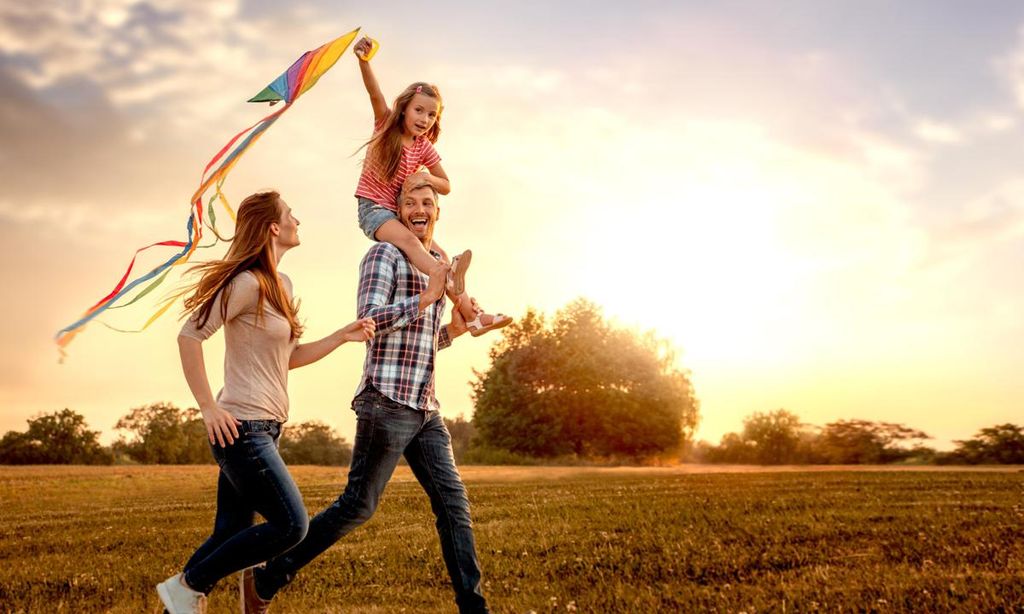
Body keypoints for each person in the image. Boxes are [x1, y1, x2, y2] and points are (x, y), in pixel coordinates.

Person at [246, 181, 490, 613]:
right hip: (386, 400)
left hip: (425, 406)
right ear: (397, 213)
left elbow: (424, 341)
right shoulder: (384, 255)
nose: (419, 209)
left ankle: (473, 607)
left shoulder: (437, 261)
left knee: (454, 506)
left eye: (427, 203)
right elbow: (370, 320)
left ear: (438, 212)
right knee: (358, 505)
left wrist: (454, 328)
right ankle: (270, 576)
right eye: (409, 203)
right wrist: (426, 297)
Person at [155, 191, 376, 614]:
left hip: (267, 429)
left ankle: (177, 603)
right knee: (293, 525)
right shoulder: (245, 283)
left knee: (230, 532)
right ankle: (188, 585)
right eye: (291, 214)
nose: (298, 220)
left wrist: (339, 336)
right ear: (274, 227)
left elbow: (288, 358)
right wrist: (208, 406)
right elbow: (190, 335)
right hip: (240, 427)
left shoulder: (281, 285)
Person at [351, 35, 511, 339]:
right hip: (373, 210)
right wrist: (364, 62)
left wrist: (425, 178)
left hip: (397, 215)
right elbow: (374, 94)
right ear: (404, 109)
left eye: (431, 115)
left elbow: (446, 184)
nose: (424, 119)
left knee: (441, 255)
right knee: (415, 247)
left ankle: (473, 317)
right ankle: (444, 277)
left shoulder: (423, 147)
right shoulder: (386, 127)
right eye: (419, 111)